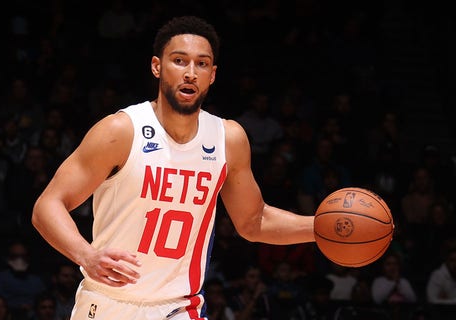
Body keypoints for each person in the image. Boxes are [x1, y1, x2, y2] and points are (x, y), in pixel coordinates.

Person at [32, 15, 316, 319]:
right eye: (179, 61)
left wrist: (322, 228)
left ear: (213, 75)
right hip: (107, 304)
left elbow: (253, 220)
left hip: (177, 307)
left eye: (202, 64)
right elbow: (48, 205)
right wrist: (86, 255)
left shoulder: (227, 139)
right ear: (157, 66)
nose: (191, 73)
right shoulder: (121, 131)